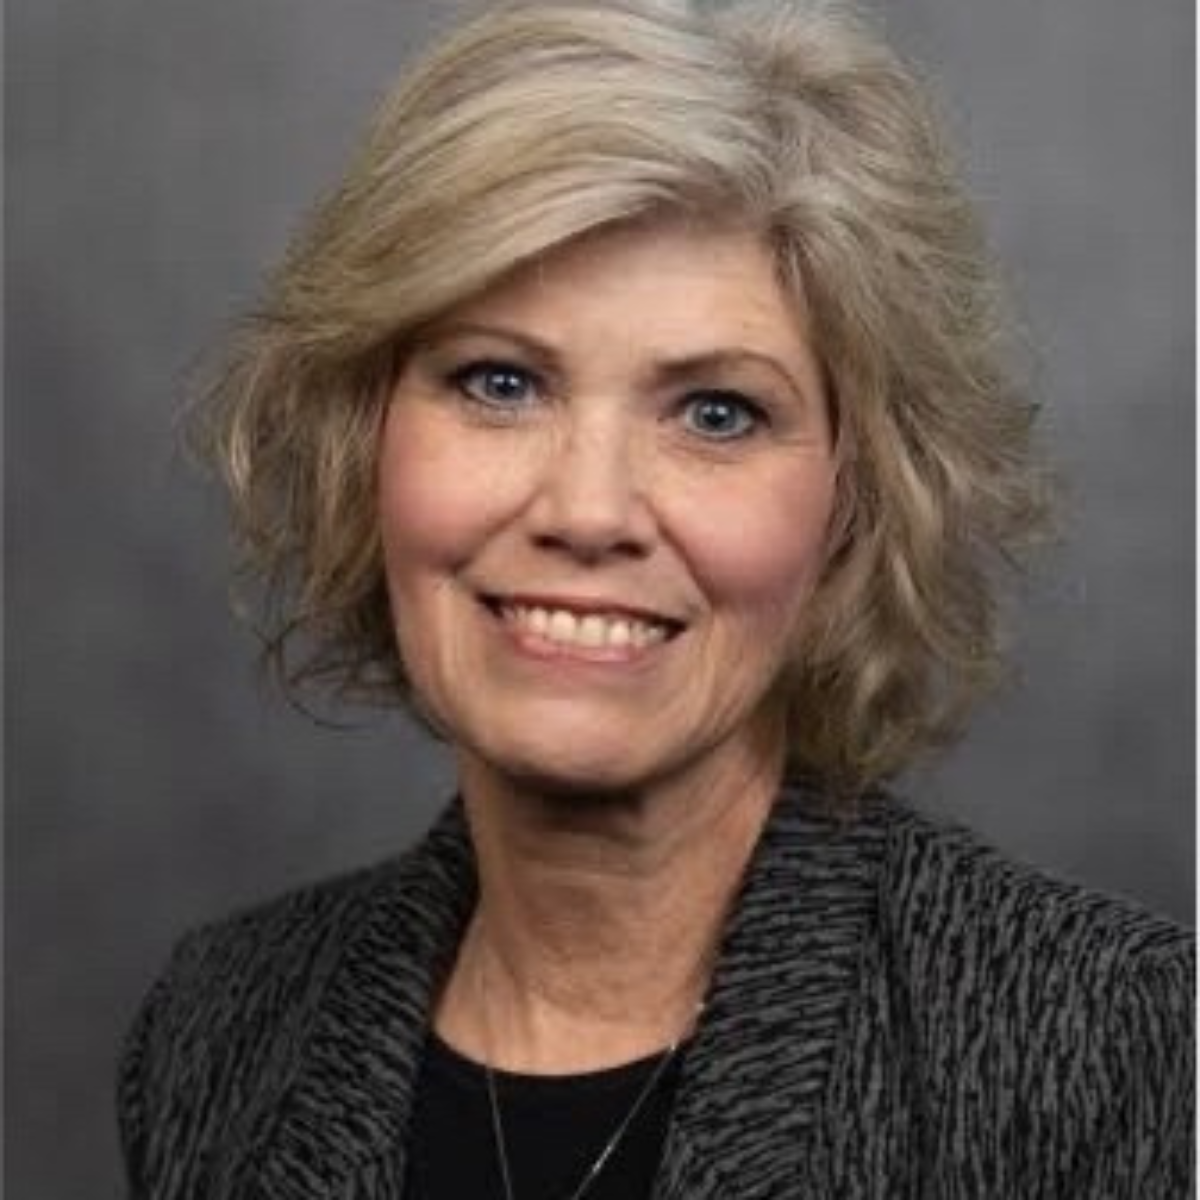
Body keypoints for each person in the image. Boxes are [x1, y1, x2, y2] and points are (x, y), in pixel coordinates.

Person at [116, 1, 1193, 1197]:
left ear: (856, 502)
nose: (588, 511)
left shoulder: (1119, 1048)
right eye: (500, 383)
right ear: (361, 439)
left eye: (717, 413)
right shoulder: (221, 1030)